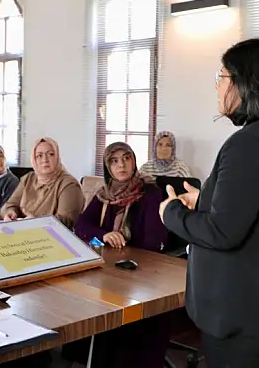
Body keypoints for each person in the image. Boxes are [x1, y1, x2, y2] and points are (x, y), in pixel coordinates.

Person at [160, 39, 259, 368]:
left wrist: (172, 212)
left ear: (246, 83)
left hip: (243, 315)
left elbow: (222, 232)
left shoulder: (248, 144)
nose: (217, 87)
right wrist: (205, 199)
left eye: (221, 77)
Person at [67, 141, 172, 367]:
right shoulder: (105, 194)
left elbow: (154, 241)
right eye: (114, 161)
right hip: (111, 267)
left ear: (134, 161)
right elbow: (81, 225)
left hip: (142, 272)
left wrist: (125, 247)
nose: (121, 165)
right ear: (108, 167)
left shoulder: (150, 193)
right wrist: (104, 234)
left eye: (126, 158)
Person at [2, 138, 84, 228]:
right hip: (23, 230)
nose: (45, 160)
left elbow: (66, 220)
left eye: (51, 154)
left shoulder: (69, 184)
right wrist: (11, 212)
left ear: (57, 157)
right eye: (39, 155)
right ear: (34, 159)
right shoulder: (28, 178)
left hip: (52, 234)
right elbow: (11, 204)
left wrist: (36, 221)